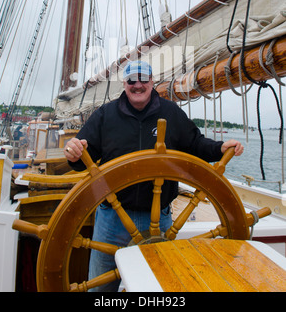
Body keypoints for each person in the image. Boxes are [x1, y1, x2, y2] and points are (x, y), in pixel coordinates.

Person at [64, 60, 244, 291]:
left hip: (160, 219)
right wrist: (73, 152)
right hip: (112, 221)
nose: (137, 85)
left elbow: (195, 145)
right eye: (131, 80)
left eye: (143, 79)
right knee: (101, 288)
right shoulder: (105, 115)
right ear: (124, 83)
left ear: (152, 81)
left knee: (158, 286)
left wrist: (220, 148)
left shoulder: (171, 113)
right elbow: (83, 158)